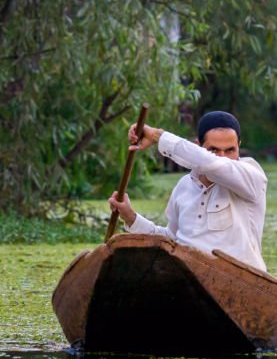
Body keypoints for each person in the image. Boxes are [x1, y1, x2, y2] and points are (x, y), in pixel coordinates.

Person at [107, 110, 268, 272]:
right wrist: (130, 217)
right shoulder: (184, 186)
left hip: (240, 281)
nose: (222, 157)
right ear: (197, 146)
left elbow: (213, 164)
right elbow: (171, 240)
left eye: (230, 150)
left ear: (239, 147)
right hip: (187, 280)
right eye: (214, 150)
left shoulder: (252, 177)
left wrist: (159, 136)